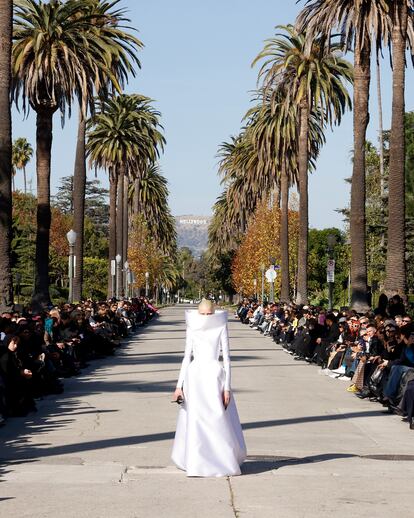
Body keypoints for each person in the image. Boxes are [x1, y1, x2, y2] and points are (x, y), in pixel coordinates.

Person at [171, 299, 246, 477]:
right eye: (202, 314)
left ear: (214, 313)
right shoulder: (192, 327)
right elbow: (186, 357)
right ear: (198, 313)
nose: (205, 318)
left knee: (216, 418)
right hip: (195, 376)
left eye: (209, 314)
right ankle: (196, 462)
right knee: (196, 420)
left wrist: (227, 388)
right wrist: (178, 386)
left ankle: (220, 460)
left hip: (214, 376)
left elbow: (226, 359)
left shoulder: (220, 326)